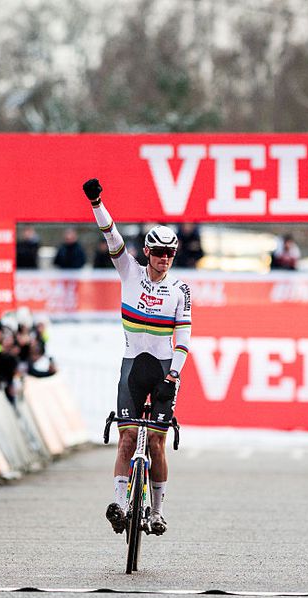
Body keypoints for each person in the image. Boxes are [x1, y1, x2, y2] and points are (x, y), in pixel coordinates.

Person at [83, 177, 191, 537]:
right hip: (132, 366)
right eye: (158, 252)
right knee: (127, 438)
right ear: (147, 251)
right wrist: (97, 203)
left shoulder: (180, 290)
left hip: (163, 370)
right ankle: (118, 505)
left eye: (170, 254)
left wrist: (173, 376)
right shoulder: (129, 271)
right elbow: (111, 235)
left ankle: (157, 511)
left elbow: (183, 338)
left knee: (157, 443)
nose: (164, 259)